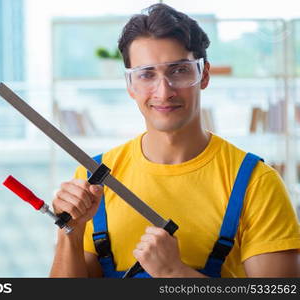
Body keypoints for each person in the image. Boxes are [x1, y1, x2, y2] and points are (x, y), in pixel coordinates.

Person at [49, 3, 300, 278]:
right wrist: (69, 234)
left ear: (203, 74)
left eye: (179, 70)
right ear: (130, 85)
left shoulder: (256, 182)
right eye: (147, 75)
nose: (163, 91)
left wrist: (175, 273)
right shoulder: (93, 179)